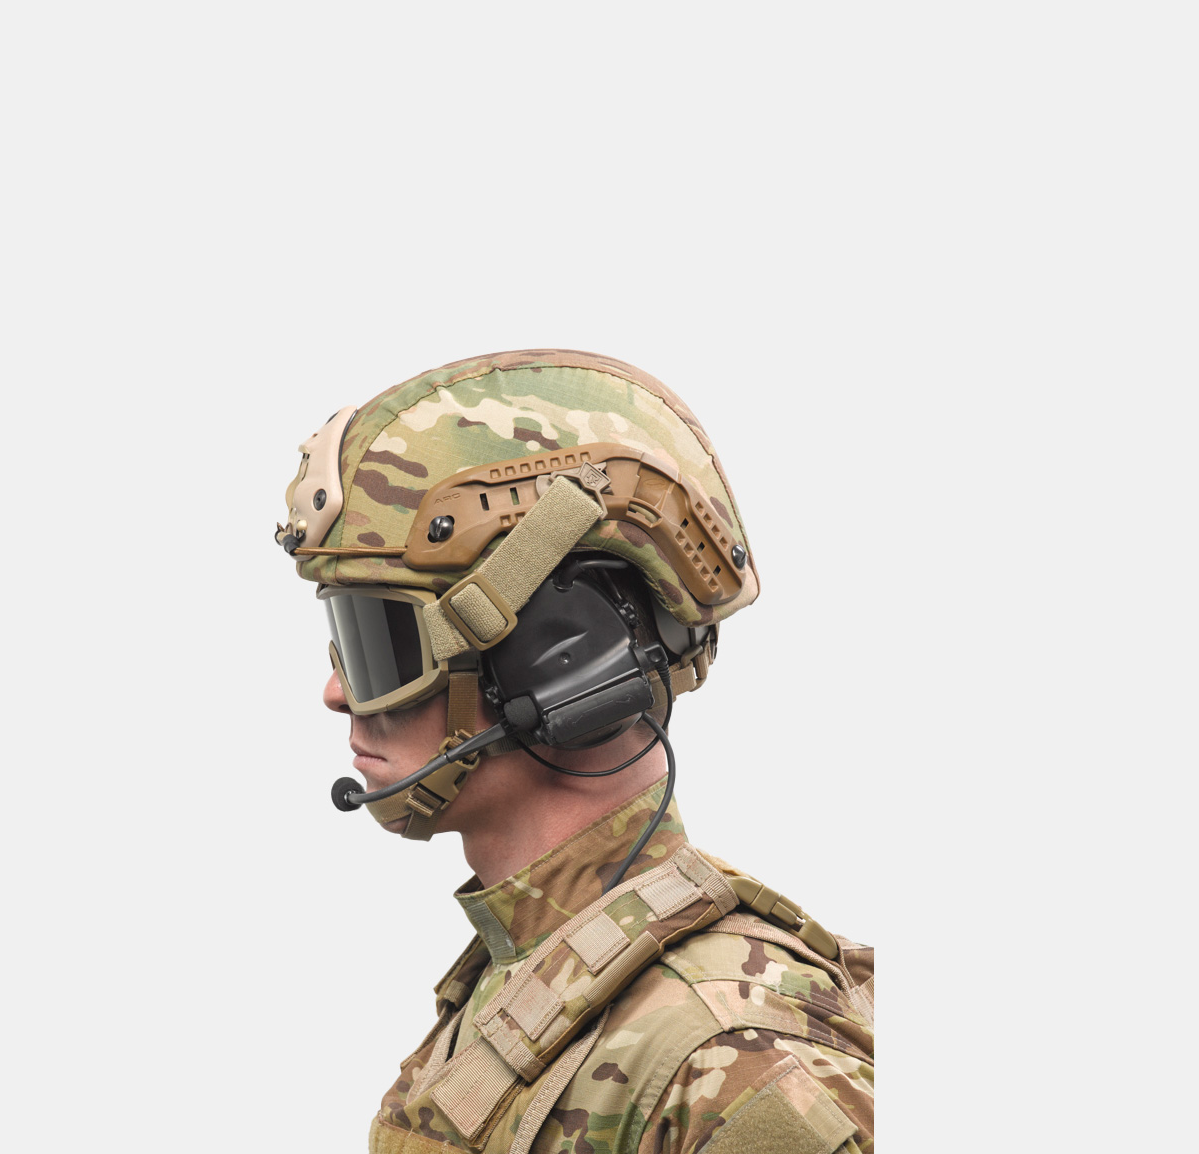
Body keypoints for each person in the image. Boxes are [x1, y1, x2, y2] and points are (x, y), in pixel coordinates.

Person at [275, 350, 875, 1153]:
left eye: (380, 641)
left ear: (564, 662)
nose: (337, 693)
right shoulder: (533, 985)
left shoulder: (732, 1062)